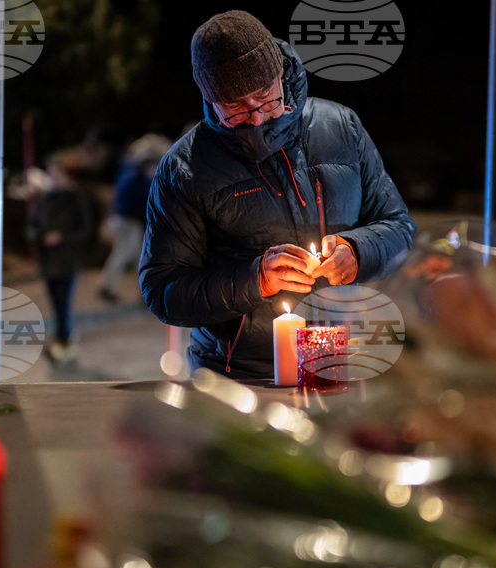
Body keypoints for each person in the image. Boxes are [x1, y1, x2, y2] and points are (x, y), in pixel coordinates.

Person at [139, 10, 416, 380]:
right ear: (209, 98)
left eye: (264, 96)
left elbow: (400, 228)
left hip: (347, 362)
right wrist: (255, 280)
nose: (256, 118)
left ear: (280, 75)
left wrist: (359, 251)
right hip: (239, 376)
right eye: (235, 106)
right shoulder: (185, 169)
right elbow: (163, 291)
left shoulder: (341, 127)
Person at [26, 152, 94, 363]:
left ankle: (64, 342)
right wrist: (39, 236)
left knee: (64, 303)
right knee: (55, 303)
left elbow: (85, 230)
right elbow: (31, 227)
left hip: (68, 261)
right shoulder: (45, 200)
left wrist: (61, 238)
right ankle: (63, 339)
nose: (55, 180)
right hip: (48, 262)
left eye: (58, 175)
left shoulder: (76, 200)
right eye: (52, 175)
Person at [97, 134, 171, 302]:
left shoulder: (128, 171)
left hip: (127, 220)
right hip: (128, 220)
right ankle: (107, 287)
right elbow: (142, 201)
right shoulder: (135, 177)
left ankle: (140, 291)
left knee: (137, 255)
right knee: (126, 253)